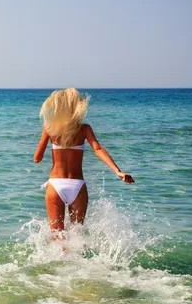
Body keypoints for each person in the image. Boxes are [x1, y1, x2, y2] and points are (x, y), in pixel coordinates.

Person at [34, 88, 134, 237]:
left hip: (55, 185)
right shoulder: (84, 129)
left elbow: (37, 159)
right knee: (77, 235)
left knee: (57, 235)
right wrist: (117, 171)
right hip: (77, 186)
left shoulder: (50, 129)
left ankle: (60, 260)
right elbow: (98, 149)